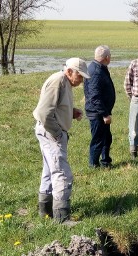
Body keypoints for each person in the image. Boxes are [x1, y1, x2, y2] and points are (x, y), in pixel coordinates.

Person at [33, 57, 89, 223]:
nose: (81, 81)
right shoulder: (58, 81)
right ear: (70, 71)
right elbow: (44, 113)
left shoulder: (65, 81)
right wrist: (57, 133)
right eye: (80, 76)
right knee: (62, 173)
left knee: (49, 171)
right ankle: (62, 217)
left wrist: (71, 112)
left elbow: (56, 106)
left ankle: (45, 212)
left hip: (50, 131)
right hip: (51, 133)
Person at [84, 45, 116, 168]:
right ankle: (93, 165)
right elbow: (95, 97)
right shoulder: (96, 71)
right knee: (98, 140)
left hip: (101, 111)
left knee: (106, 138)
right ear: (107, 57)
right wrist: (104, 114)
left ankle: (105, 161)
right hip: (97, 113)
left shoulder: (97, 67)